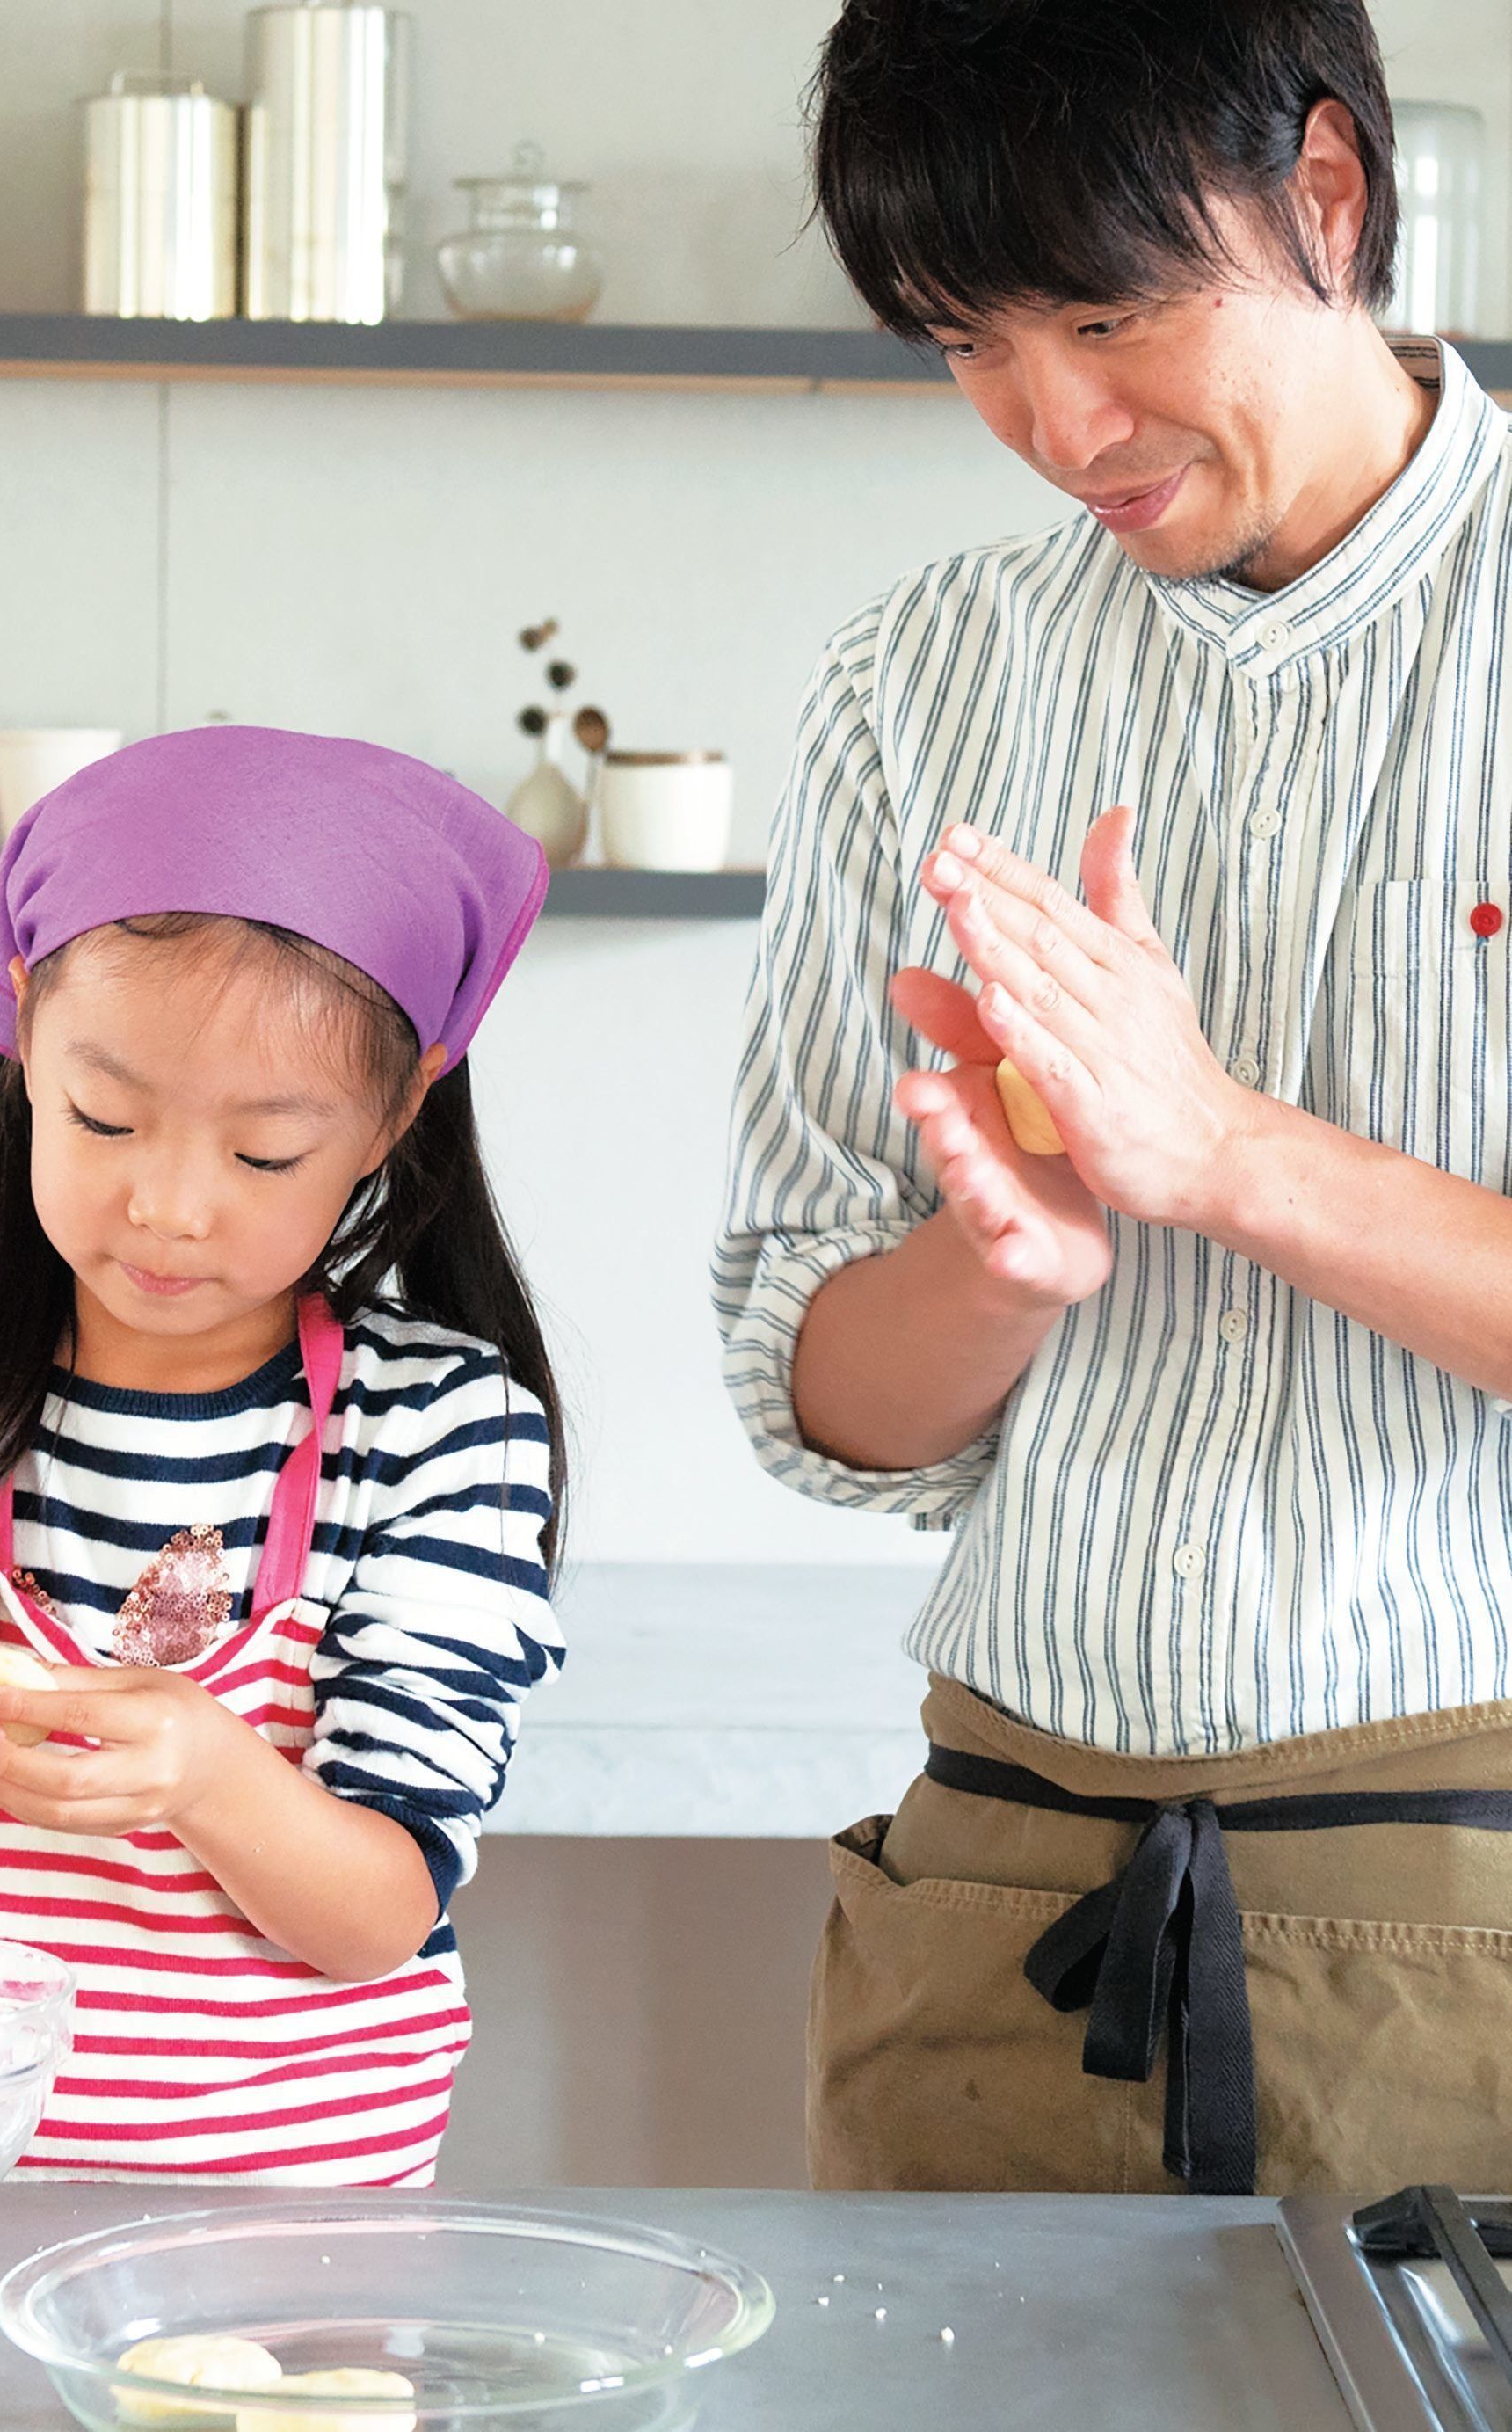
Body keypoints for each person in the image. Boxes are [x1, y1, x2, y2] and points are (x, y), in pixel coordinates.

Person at [716, 0, 1512, 2195]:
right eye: (968, 342)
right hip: (991, 1901)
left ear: (1324, 193)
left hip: (1464, 1907)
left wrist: (1223, 1155)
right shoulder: (918, 675)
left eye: (1104, 307)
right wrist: (1002, 1270)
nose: (1053, 421)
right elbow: (818, 1386)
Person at [0, 725, 563, 2187]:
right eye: (105, 1116)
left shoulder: (435, 1429)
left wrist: (209, 1773)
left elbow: (379, 1912)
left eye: (261, 1155)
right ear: (24, 1028)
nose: (168, 1206)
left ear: (393, 1118)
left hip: (285, 2244)